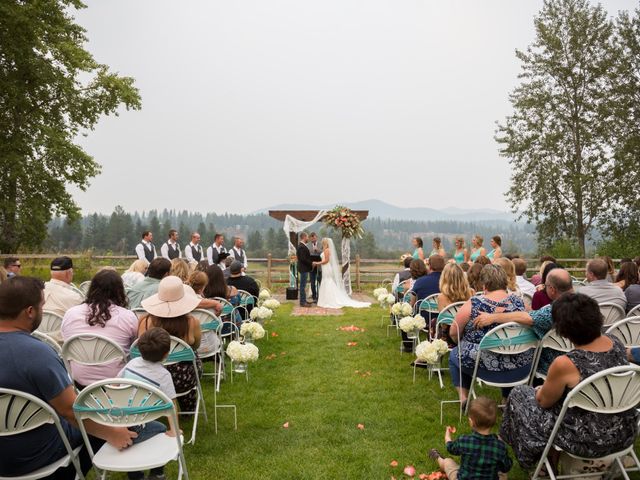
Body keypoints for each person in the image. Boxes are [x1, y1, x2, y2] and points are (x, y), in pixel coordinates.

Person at [0, 277, 136, 478]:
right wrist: (112, 433)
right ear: (30, 311)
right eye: (41, 306)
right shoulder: (37, 354)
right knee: (99, 425)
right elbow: (71, 412)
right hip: (34, 455)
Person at [500, 293, 639, 472]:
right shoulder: (616, 344)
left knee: (520, 394)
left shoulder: (565, 363)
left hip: (584, 439)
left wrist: (540, 389)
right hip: (624, 431)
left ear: (563, 330)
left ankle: (538, 463)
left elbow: (543, 401)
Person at [449, 264, 529, 405]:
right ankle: (506, 400)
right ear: (505, 282)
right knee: (509, 350)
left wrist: (462, 342)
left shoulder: (473, 304)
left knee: (456, 353)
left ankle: (464, 398)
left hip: (483, 366)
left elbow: (453, 332)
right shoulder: (520, 303)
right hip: (519, 367)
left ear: (484, 285)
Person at [474, 268, 573, 377]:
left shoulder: (555, 310)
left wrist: (493, 317)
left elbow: (529, 318)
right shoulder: (585, 303)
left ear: (552, 289)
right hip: (579, 358)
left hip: (553, 365)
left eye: (545, 285)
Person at [61, 270, 138, 388]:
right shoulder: (128, 317)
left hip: (79, 382)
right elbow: (134, 348)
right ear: (119, 291)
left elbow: (66, 340)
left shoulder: (71, 314)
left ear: (92, 288)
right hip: (116, 383)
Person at [119, 327, 178, 480]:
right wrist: (174, 429)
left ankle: (135, 476)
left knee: (138, 433)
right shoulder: (163, 375)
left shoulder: (132, 363)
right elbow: (171, 405)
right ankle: (157, 473)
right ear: (166, 354)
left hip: (117, 420)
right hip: (137, 424)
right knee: (161, 428)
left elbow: (115, 384)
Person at [138, 276, 202, 412]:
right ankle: (188, 408)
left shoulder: (145, 321)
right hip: (183, 380)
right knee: (192, 356)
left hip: (150, 378)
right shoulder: (192, 322)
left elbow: (140, 349)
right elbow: (196, 346)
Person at [429, 397, 512, 480]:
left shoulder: (464, 441)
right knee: (502, 473)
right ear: (494, 423)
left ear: (471, 422)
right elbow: (506, 467)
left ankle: (437, 457)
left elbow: (450, 448)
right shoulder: (500, 447)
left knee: (448, 462)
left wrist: (447, 437)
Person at [313, 238, 370, 309]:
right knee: (325, 281)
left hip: (327, 267)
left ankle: (329, 300)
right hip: (324, 268)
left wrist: (317, 263)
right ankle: (324, 300)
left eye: (323, 242)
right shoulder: (325, 250)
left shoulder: (327, 250)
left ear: (325, 243)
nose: (322, 243)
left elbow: (326, 261)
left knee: (328, 282)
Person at [296, 232, 314, 307]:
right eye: (307, 237)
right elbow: (303, 259)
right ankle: (302, 302)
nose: (308, 238)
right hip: (304, 268)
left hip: (304, 268)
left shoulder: (302, 246)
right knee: (303, 286)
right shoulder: (301, 247)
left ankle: (304, 300)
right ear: (304, 237)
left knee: (303, 285)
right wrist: (311, 263)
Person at [308, 232, 323, 298]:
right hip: (311, 266)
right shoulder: (307, 245)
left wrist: (318, 250)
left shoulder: (321, 244)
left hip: (320, 266)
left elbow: (324, 253)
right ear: (310, 238)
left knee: (320, 281)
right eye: (311, 238)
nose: (313, 239)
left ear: (316, 237)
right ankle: (314, 296)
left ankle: (320, 296)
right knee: (312, 282)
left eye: (314, 237)